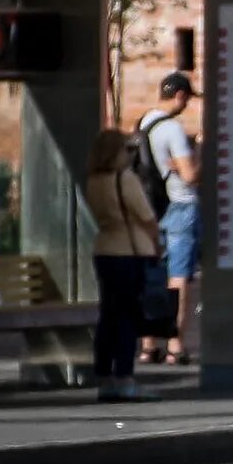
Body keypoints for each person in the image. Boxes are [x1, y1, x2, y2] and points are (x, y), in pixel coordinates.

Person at [84, 129, 161, 403]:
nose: (129, 155)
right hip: (130, 251)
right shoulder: (125, 179)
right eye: (126, 150)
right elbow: (147, 216)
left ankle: (104, 378)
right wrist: (158, 245)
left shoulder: (94, 181)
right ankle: (125, 378)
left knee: (108, 317)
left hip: (104, 249)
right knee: (128, 317)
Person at [135, 72, 200, 366]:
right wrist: (202, 149)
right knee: (179, 276)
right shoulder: (173, 129)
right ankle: (175, 345)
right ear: (181, 96)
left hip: (151, 207)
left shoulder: (144, 122)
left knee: (153, 276)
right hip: (180, 205)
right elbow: (190, 176)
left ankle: (148, 345)